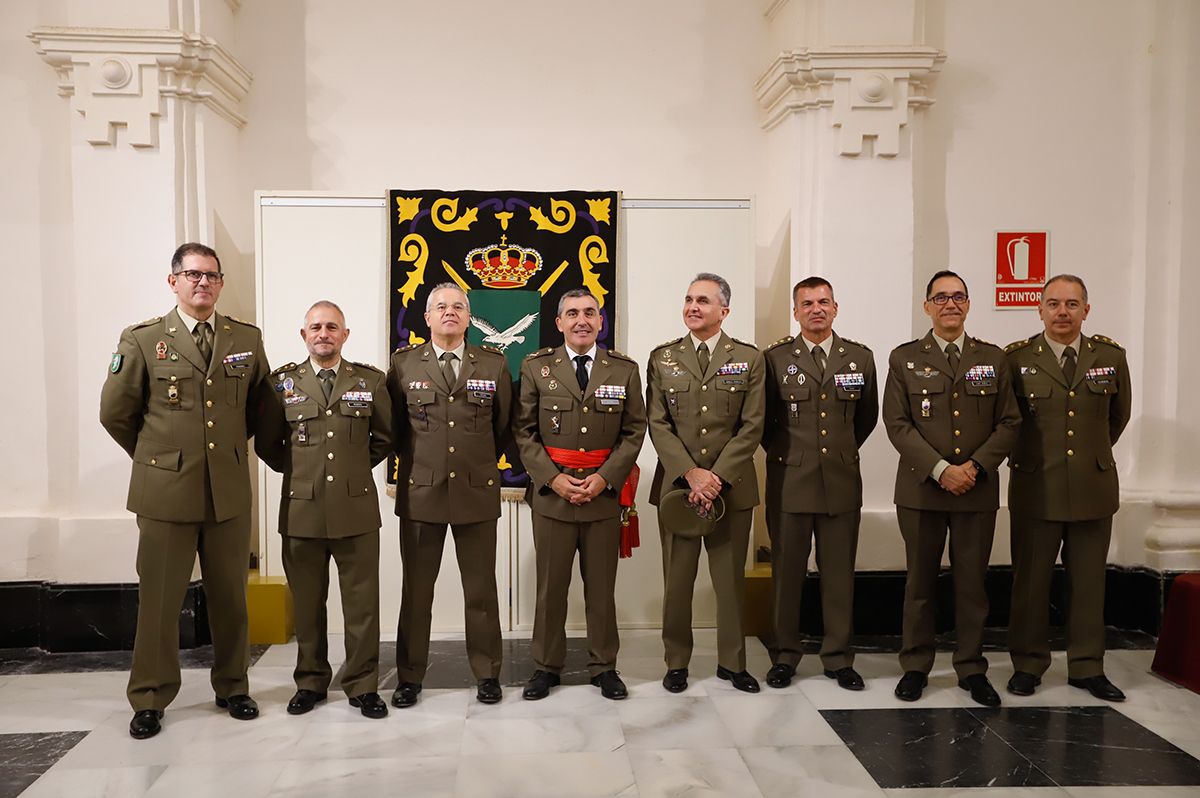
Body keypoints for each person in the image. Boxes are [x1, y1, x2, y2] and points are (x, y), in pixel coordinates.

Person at [100, 243, 272, 739]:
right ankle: (149, 697)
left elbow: (259, 409)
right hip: (164, 492)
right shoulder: (143, 339)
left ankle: (234, 685)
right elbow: (115, 412)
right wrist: (158, 457)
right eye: (193, 275)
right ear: (172, 281)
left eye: (211, 276)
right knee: (159, 600)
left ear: (220, 284)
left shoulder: (246, 338)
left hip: (228, 491)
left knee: (230, 597)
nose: (203, 283)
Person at [882, 270, 1021, 707]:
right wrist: (941, 469)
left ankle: (972, 668)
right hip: (922, 490)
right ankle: (915, 666)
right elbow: (897, 424)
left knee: (971, 586)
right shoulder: (904, 359)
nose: (950, 304)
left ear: (968, 304)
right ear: (927, 306)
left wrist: (974, 467)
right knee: (919, 584)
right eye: (940, 297)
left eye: (958, 296)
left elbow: (1010, 422)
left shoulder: (994, 358)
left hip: (975, 491)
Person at [256, 301, 393, 718]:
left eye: (332, 327)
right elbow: (267, 444)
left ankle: (362, 684)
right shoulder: (281, 385)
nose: (323, 333)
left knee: (362, 605)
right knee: (308, 603)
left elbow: (385, 437)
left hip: (355, 511)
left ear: (345, 335)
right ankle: (311, 681)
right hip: (302, 513)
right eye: (315, 327)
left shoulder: (370, 382)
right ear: (303, 335)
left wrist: (350, 470)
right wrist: (303, 473)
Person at [514, 289, 647, 700]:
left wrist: (605, 478)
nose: (581, 320)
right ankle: (545, 667)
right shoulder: (538, 367)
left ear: (600, 321)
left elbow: (634, 430)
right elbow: (524, 431)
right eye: (572, 314)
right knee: (551, 588)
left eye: (589, 312)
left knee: (601, 588)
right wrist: (553, 480)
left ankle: (604, 665)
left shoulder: (623, 369)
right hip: (553, 497)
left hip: (602, 497)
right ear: (559, 323)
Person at [1005, 275, 1132, 701]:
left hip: (1092, 487)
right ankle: (1027, 663)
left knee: (1089, 583)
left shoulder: (1110, 357)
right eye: (1054, 304)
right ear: (1039, 309)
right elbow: (1008, 421)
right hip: (1036, 486)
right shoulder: (1016, 360)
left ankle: (1087, 666)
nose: (1063, 312)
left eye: (1072, 304)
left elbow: (1117, 418)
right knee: (1030, 582)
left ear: (1086, 311)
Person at [386, 283, 513, 707]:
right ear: (427, 317)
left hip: (475, 492)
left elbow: (503, 427)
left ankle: (487, 674)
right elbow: (394, 431)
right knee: (417, 592)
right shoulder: (403, 365)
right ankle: (409, 677)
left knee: (481, 591)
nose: (450, 313)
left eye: (458, 306)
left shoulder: (493, 364)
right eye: (441, 306)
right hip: (421, 494)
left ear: (468, 316)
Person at [646, 273, 765, 694]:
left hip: (730, 487)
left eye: (703, 301)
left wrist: (715, 477)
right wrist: (690, 473)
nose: (693, 307)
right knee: (677, 582)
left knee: (730, 581)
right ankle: (676, 662)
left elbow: (752, 427)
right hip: (678, 488)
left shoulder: (749, 359)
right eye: (689, 299)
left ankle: (732, 664)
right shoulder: (663, 358)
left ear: (724, 311)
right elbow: (657, 423)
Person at [761, 277, 878, 690]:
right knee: (786, 573)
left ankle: (838, 657)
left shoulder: (859, 358)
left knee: (839, 574)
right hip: (790, 479)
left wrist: (836, 455)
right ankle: (785, 655)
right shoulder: (774, 359)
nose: (816, 309)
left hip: (842, 482)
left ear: (835, 307)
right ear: (795, 312)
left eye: (823, 302)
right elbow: (764, 423)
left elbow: (865, 419)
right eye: (807, 303)